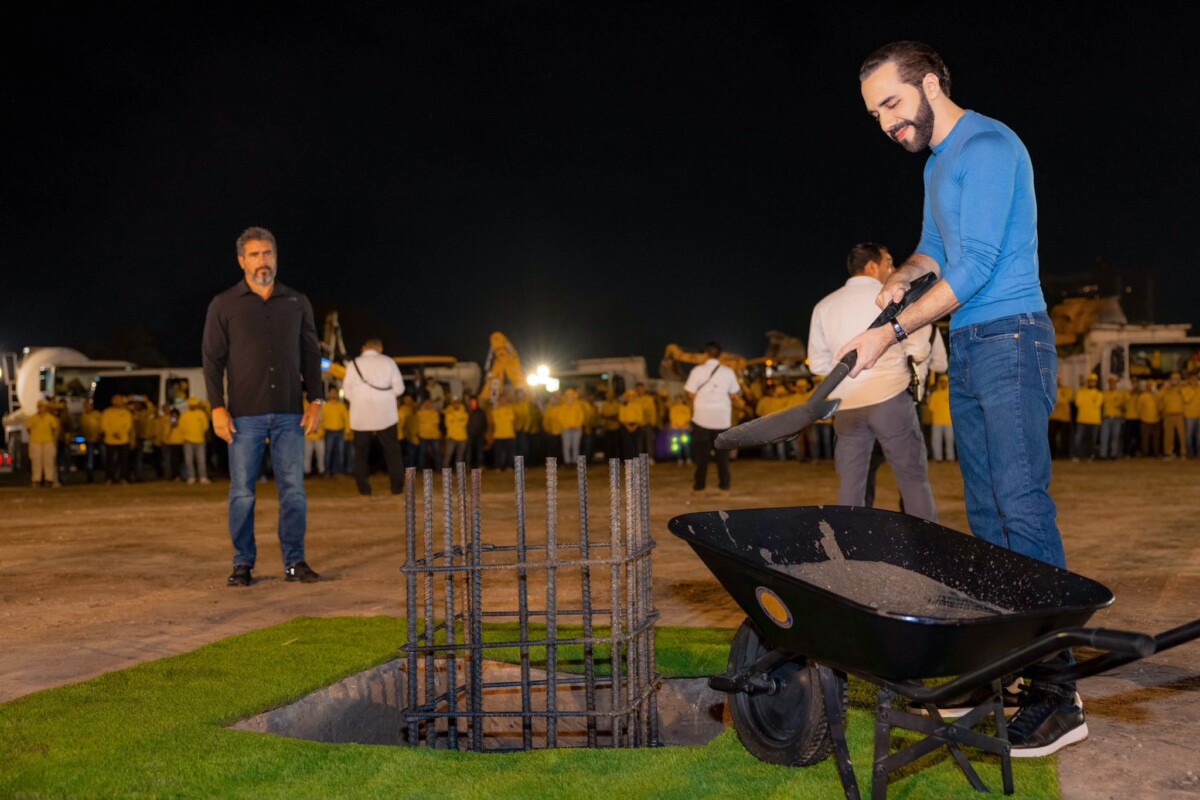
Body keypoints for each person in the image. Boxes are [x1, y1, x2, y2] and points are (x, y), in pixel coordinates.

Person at [842, 42, 1082, 754]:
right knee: (986, 519)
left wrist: (890, 330)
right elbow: (934, 249)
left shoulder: (988, 145)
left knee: (1022, 508)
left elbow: (976, 266)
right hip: (973, 351)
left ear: (932, 82)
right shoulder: (940, 163)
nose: (886, 122)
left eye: (892, 102)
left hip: (1012, 338)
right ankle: (1001, 666)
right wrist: (905, 275)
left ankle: (1058, 693)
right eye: (874, 113)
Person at [202, 226, 323, 586]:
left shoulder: (296, 301)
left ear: (276, 256)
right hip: (244, 416)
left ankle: (294, 562)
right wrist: (217, 408)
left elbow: (311, 354)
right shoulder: (224, 305)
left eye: (267, 253)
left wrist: (316, 400)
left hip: (289, 413)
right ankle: (243, 563)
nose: (262, 261)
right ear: (241, 261)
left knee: (294, 492)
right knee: (242, 492)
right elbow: (212, 360)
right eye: (254, 255)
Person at [808, 242, 937, 521]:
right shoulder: (893, 297)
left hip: (847, 404)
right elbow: (919, 348)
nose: (893, 270)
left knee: (852, 485)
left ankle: (850, 545)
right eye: (889, 263)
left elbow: (818, 364)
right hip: (890, 397)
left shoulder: (824, 306)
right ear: (871, 267)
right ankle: (928, 545)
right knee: (912, 479)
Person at [341, 338, 406, 495]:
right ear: (380, 349)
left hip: (360, 416)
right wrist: (385, 397)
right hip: (386, 414)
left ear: (364, 348)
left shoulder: (353, 364)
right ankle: (397, 487)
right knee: (392, 452)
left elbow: (347, 392)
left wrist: (360, 399)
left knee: (361, 454)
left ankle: (364, 489)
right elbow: (399, 389)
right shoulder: (389, 362)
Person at [685, 342, 742, 497]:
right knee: (722, 457)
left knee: (702, 457)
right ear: (720, 355)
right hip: (722, 419)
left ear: (706, 354)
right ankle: (724, 488)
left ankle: (699, 488)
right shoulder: (728, 372)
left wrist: (702, 399)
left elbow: (689, 392)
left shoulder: (697, 371)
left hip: (701, 418)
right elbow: (734, 393)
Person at [27, 400, 62, 488]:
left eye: (43, 406)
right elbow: (29, 429)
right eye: (40, 406)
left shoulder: (50, 418)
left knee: (48, 461)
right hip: (36, 442)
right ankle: (37, 480)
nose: (42, 408)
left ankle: (49, 479)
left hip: (48, 441)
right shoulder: (33, 418)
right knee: (36, 462)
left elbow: (55, 429)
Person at [101, 395, 134, 484]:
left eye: (118, 400)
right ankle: (109, 478)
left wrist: (120, 433)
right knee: (110, 461)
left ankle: (124, 478)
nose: (117, 401)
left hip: (123, 440)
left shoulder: (126, 412)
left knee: (124, 460)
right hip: (110, 440)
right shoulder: (107, 412)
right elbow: (104, 425)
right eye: (115, 400)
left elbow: (128, 425)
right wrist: (113, 433)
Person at [178, 398, 211, 484]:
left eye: (194, 405)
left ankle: (203, 477)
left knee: (201, 460)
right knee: (188, 460)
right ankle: (191, 477)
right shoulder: (184, 415)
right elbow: (181, 427)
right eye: (191, 405)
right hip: (188, 440)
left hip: (200, 440)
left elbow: (205, 426)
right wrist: (184, 437)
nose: (193, 406)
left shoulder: (201, 414)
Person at [1072, 374, 1104, 461]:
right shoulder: (1081, 392)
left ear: (1096, 382)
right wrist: (1090, 401)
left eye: (1093, 381)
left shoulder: (1099, 394)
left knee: (1092, 440)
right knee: (1079, 439)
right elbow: (1078, 403)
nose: (1091, 382)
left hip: (1094, 420)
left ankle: (1090, 455)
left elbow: (1097, 405)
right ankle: (1077, 455)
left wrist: (1086, 402)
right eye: (1090, 381)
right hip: (1082, 419)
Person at [1098, 376, 1127, 460]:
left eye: (1113, 383)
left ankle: (1114, 454)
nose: (1112, 385)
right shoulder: (1105, 394)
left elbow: (1122, 405)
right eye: (1111, 383)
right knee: (1104, 437)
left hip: (1117, 418)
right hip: (1106, 418)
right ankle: (1103, 454)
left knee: (1115, 437)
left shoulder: (1120, 394)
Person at [322, 387, 349, 477]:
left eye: (334, 393)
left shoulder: (341, 406)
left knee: (340, 453)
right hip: (329, 432)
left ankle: (339, 471)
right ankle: (327, 471)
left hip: (340, 432)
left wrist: (346, 431)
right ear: (328, 394)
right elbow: (321, 420)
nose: (333, 395)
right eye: (331, 393)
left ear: (337, 394)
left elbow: (346, 419)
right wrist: (321, 433)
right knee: (328, 453)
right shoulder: (325, 406)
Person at [928, 374, 954, 461]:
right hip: (937, 421)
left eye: (945, 382)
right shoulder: (935, 395)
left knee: (950, 440)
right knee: (936, 441)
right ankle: (937, 458)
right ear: (939, 383)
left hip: (949, 421)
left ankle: (950, 458)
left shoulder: (951, 394)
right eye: (942, 382)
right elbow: (931, 408)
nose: (943, 384)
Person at [442, 395, 469, 467]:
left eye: (457, 402)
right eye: (454, 402)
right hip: (451, 438)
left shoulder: (465, 413)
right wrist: (458, 421)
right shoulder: (448, 413)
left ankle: (459, 471)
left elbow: (464, 424)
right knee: (448, 455)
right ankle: (445, 471)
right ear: (452, 403)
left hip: (462, 438)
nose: (456, 404)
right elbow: (448, 425)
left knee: (460, 457)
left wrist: (455, 421)